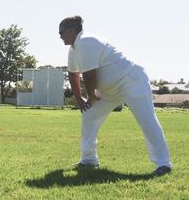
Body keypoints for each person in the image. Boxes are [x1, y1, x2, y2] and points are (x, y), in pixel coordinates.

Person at [59, 15, 172, 176]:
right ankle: (89, 159)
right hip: (109, 90)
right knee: (90, 114)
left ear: (71, 31)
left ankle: (163, 164)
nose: (60, 36)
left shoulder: (85, 41)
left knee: (147, 120)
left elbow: (89, 76)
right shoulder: (73, 50)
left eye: (61, 32)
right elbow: (73, 75)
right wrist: (79, 98)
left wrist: (90, 97)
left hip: (131, 81)